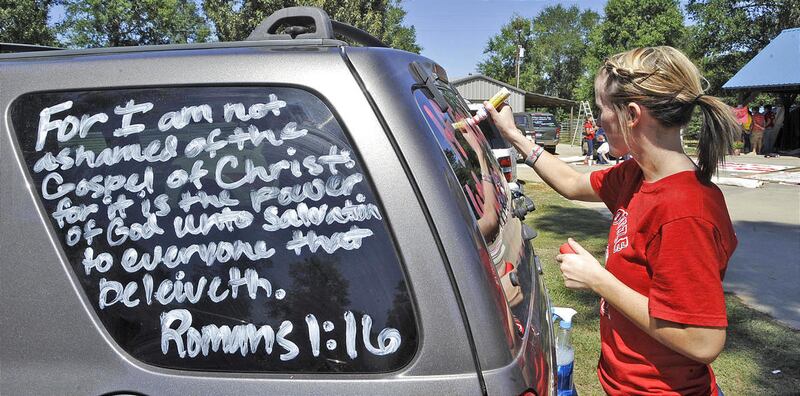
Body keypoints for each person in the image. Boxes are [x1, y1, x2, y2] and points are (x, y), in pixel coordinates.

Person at [484, 46, 736, 395]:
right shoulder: (635, 175)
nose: (599, 120)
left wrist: (599, 281)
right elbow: (573, 183)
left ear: (631, 115)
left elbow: (703, 341)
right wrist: (514, 136)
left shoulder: (685, 211)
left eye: (602, 108)